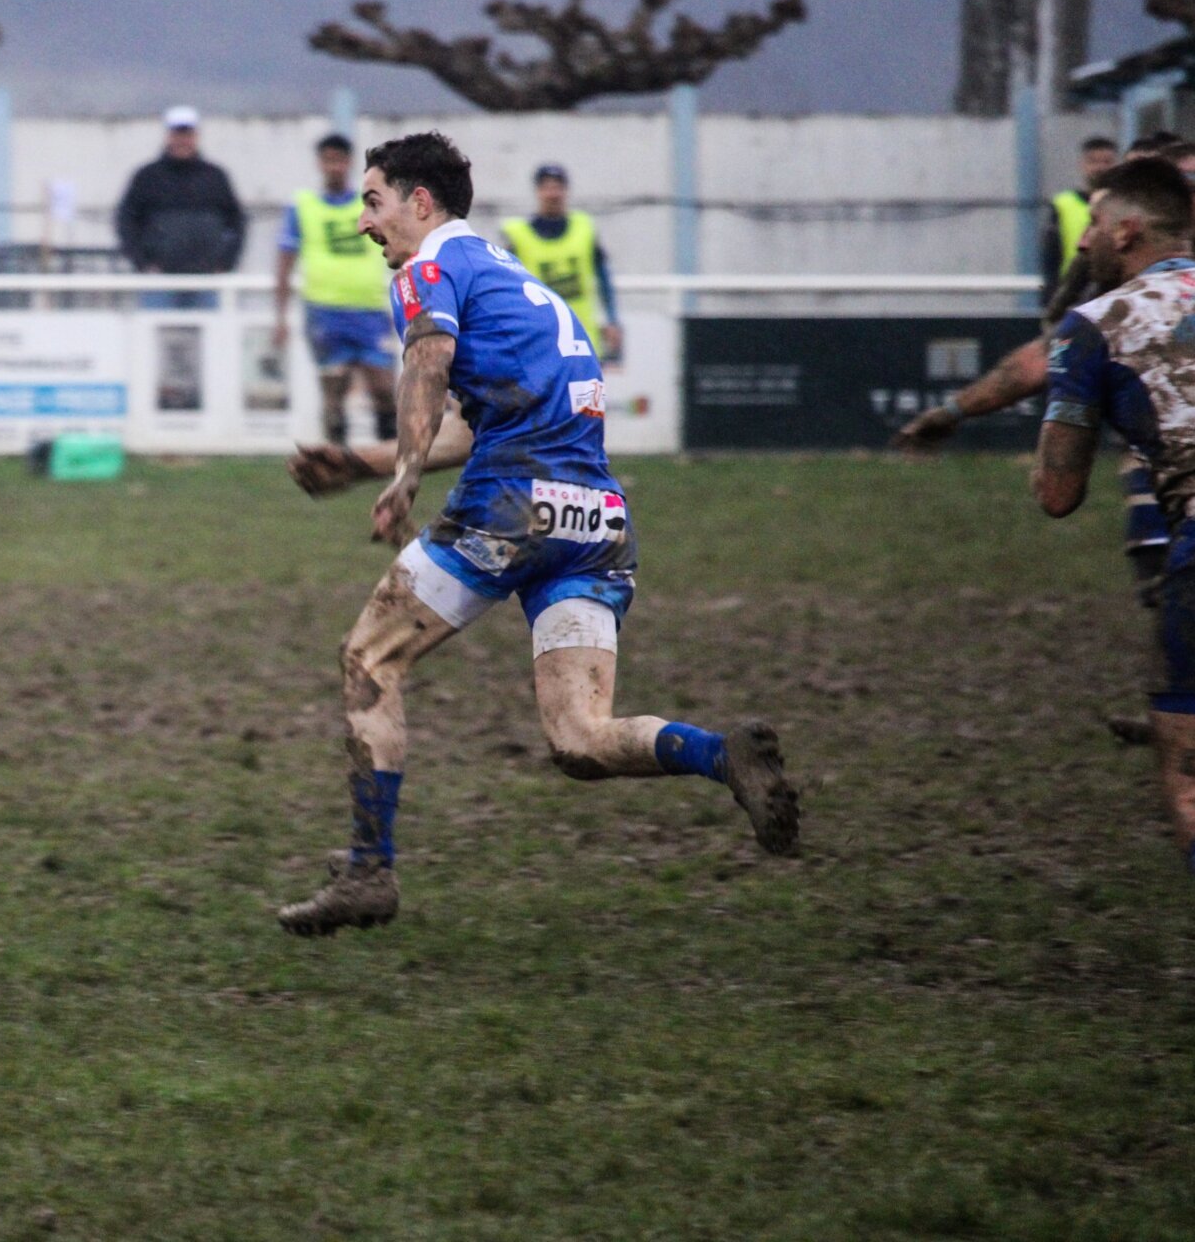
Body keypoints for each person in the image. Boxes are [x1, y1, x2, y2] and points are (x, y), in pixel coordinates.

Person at [277, 131, 799, 937]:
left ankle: (368, 872)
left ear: (420, 202)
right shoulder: (507, 276)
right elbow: (464, 423)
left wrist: (405, 477)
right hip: (594, 515)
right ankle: (720, 754)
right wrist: (363, 461)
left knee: (368, 657)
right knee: (581, 740)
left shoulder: (428, 270)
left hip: (511, 504)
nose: (363, 225)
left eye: (373, 203)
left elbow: (427, 365)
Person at [1029, 157, 1195, 873]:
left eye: (1092, 223)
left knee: (1187, 771)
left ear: (1127, 231)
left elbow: (1057, 494)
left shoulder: (1095, 325)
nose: (1081, 239)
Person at [274, 133, 396, 445]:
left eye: (339, 160)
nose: (334, 167)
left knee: (384, 388)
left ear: (349, 163)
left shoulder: (371, 204)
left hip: (369, 308)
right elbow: (285, 261)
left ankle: (389, 458)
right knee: (334, 388)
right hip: (324, 310)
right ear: (319, 163)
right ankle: (337, 459)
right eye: (328, 160)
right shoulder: (304, 206)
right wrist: (281, 316)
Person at [114, 106, 246, 308]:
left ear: (196, 137)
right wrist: (142, 263)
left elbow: (237, 221)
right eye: (177, 134)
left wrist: (227, 262)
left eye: (188, 134)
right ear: (168, 136)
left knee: (211, 338)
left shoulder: (215, 177)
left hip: (207, 282)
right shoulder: (147, 177)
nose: (182, 140)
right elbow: (126, 221)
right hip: (160, 283)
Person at [502, 164, 623, 360]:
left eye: (557, 187)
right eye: (547, 188)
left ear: (566, 191)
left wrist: (612, 319)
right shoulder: (519, 236)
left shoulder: (584, 229)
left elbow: (604, 277)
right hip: (539, 339)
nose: (553, 194)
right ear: (538, 192)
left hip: (582, 337)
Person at [1040, 136, 1117, 304]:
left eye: (1107, 161)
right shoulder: (1062, 204)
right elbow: (1051, 258)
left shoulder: (1125, 203)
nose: (1100, 168)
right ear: (1082, 164)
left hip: (1113, 294)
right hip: (1071, 295)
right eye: (1093, 161)